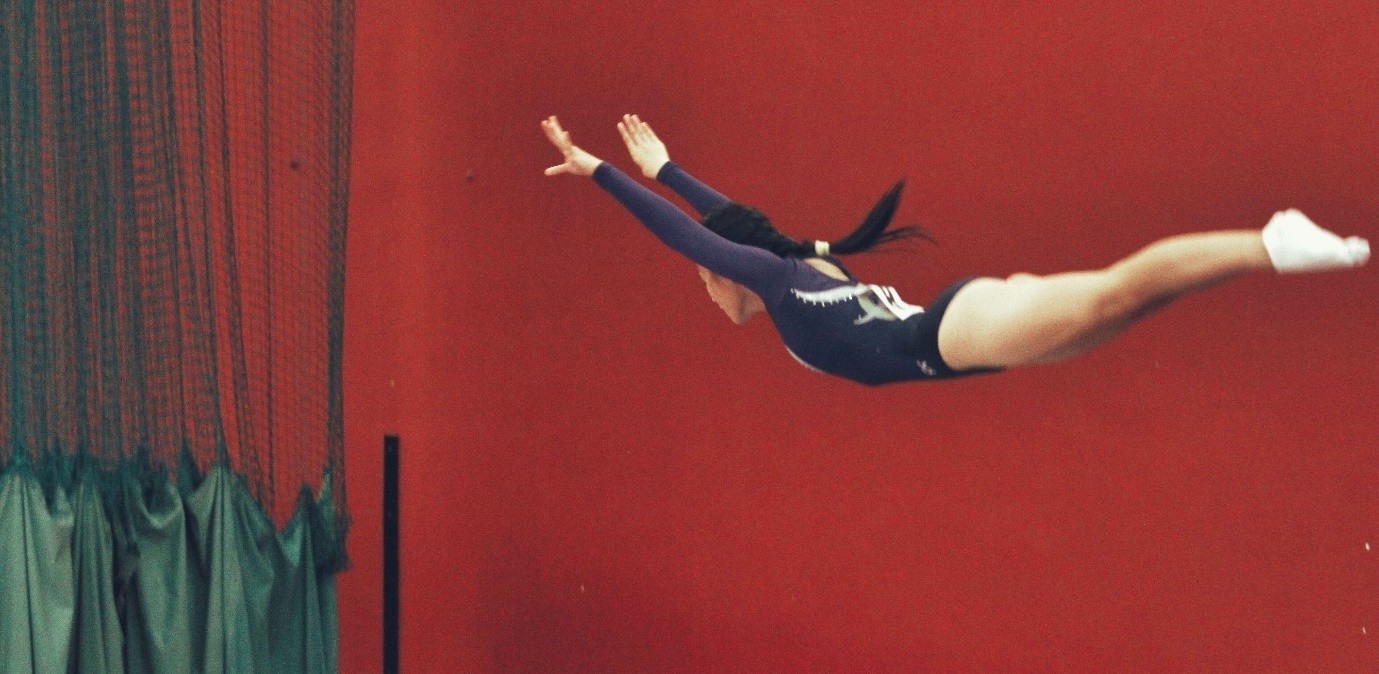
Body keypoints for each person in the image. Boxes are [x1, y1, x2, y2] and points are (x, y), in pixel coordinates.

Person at [541, 114, 1370, 385]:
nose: (710, 289)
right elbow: (726, 222)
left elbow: (699, 234)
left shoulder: (777, 279)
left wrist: (602, 174)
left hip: (947, 337)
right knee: (1129, 300)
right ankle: (1268, 246)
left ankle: (1271, 243)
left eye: (707, 280)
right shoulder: (800, 262)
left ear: (729, 275)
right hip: (960, 324)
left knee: (1120, 293)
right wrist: (668, 168)